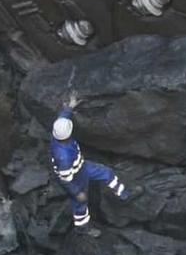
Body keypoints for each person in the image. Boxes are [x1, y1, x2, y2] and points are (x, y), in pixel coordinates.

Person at [49, 93, 130, 232]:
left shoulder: (58, 132)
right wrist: (77, 192)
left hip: (82, 166)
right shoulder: (63, 156)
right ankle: (82, 227)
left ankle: (123, 194)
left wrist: (70, 107)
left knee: (106, 172)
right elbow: (65, 179)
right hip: (75, 177)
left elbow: (62, 118)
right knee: (80, 202)